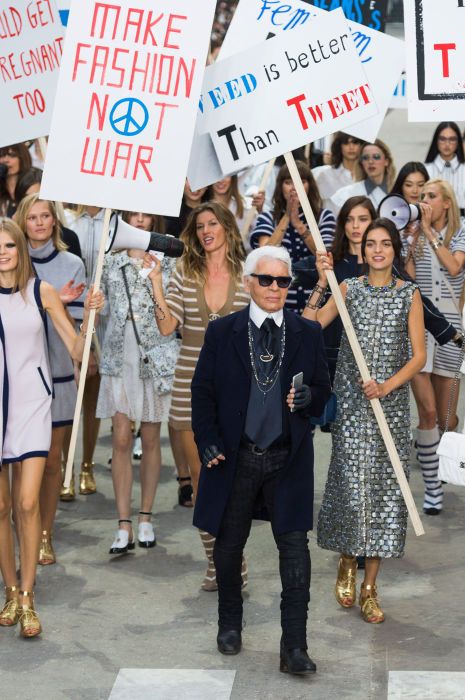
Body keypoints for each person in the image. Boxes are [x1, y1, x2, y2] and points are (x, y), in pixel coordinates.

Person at [191, 245, 331, 673]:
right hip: (237, 456)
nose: (275, 288)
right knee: (229, 547)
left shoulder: (307, 333)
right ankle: (230, 623)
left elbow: (323, 393)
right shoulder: (223, 332)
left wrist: (309, 399)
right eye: (266, 280)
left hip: (287, 457)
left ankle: (294, 647)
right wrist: (209, 441)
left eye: (283, 281)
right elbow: (203, 392)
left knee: (295, 552)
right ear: (249, 282)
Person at [304, 218, 426, 624]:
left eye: (385, 244)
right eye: (371, 244)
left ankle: (371, 588)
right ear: (362, 251)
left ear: (395, 250)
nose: (377, 250)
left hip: (388, 409)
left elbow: (419, 356)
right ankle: (346, 557)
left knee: (385, 495)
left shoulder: (409, 294)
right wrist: (323, 280)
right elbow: (311, 325)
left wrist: (388, 386)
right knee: (352, 487)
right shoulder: (349, 288)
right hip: (354, 408)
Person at [0, 217, 103, 637]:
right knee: (0, 508)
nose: (3, 252)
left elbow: (76, 348)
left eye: (9, 245)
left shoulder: (39, 291)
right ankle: (9, 590)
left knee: (26, 504)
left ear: (20, 248)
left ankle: (28, 596)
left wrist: (89, 318)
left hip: (32, 407)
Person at [143, 201, 249, 590]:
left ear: (226, 227)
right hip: (192, 386)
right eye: (200, 225)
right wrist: (156, 282)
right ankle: (216, 563)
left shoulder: (247, 272)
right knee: (204, 482)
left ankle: (233, 556)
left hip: (240, 390)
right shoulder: (184, 273)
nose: (206, 230)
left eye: (213, 223)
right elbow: (168, 325)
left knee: (236, 484)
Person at [16, 194, 87, 566]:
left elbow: (73, 330)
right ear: (22, 221)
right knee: (18, 462)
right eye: (33, 217)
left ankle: (45, 533)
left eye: (46, 216)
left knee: (51, 461)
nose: (40, 223)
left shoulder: (72, 263)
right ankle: (20, 529)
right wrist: (48, 297)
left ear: (55, 221)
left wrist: (73, 307)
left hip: (57, 372)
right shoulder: (10, 259)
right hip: (17, 375)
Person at [120, 211, 192, 507]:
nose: (139, 220)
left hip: (162, 350)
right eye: (133, 215)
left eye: (145, 215)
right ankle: (126, 519)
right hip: (123, 354)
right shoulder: (113, 255)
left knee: (171, 422)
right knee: (123, 436)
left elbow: (178, 300)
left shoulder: (169, 250)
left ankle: (185, 479)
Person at [405, 179, 465, 514]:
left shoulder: (460, 231)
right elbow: (408, 276)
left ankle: (444, 459)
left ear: (446, 202)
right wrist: (413, 237)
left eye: (430, 196)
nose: (423, 200)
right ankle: (432, 485)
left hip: (452, 331)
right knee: (426, 412)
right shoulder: (413, 231)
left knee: (446, 416)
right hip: (421, 327)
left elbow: (455, 266)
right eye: (421, 195)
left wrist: (429, 232)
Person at [250, 160, 336, 313]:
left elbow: (325, 254)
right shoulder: (268, 217)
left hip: (316, 303)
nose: (294, 188)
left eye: (301, 181)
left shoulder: (324, 216)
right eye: (289, 182)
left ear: (309, 186)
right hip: (279, 304)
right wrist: (288, 216)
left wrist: (298, 224)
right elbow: (263, 254)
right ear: (280, 187)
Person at [64, 205, 107, 499]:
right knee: (68, 403)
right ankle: (66, 466)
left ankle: (87, 466)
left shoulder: (115, 223)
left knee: (92, 398)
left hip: (106, 320)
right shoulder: (68, 224)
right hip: (71, 320)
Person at [330, 140, 396, 214]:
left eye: (376, 157)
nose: (370, 161)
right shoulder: (346, 193)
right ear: (361, 162)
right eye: (365, 157)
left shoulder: (398, 192)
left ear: (386, 161)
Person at [313, 133, 364, 210]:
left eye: (355, 142)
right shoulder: (325, 174)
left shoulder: (367, 175)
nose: (351, 147)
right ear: (340, 146)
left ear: (361, 146)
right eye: (346, 143)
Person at [207, 174, 265, 240]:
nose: (221, 181)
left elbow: (259, 236)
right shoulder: (202, 210)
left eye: (226, 175)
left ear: (233, 177)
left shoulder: (247, 206)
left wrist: (260, 211)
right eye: (216, 176)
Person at [425, 122, 465, 212]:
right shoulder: (426, 170)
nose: (447, 144)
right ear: (436, 141)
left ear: (458, 142)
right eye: (442, 139)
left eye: (452, 139)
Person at [0, 144, 32, 217]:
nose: (6, 160)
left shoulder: (33, 179)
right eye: (1, 155)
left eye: (12, 155)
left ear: (22, 158)